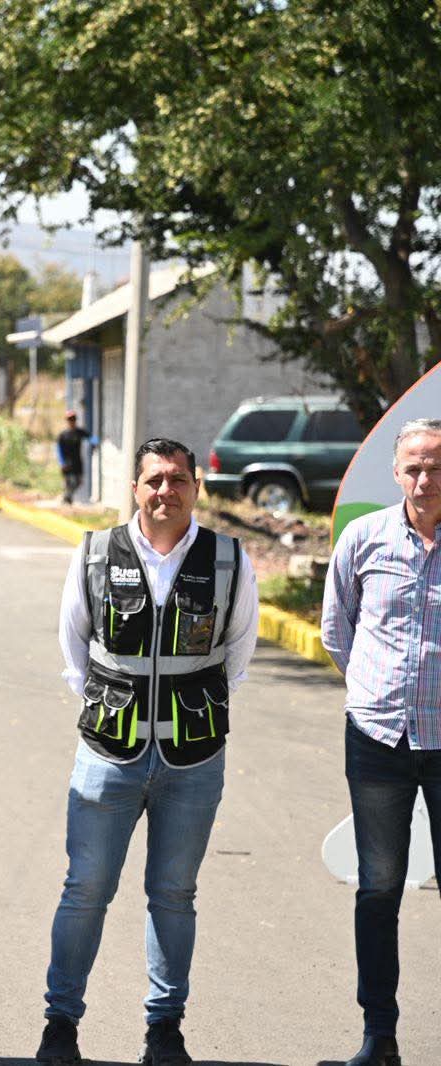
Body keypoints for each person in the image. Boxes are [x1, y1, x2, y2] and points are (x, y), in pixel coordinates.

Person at [37, 438, 258, 1066]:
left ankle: (164, 1029)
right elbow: (75, 647)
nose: (167, 491)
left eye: (179, 479)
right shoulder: (95, 552)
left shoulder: (228, 559)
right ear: (135, 488)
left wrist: (187, 710)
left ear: (196, 488)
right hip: (108, 754)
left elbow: (237, 651)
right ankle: (61, 1025)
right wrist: (117, 708)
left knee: (174, 894)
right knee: (85, 889)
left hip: (194, 759)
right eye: (155, 480)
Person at [320, 417, 441, 1066]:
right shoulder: (364, 538)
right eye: (414, 467)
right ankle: (380, 1036)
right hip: (378, 740)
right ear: (396, 474)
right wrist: (374, 691)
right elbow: (336, 630)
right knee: (379, 888)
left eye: (436, 467)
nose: (424, 479)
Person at [57, 411, 90, 505]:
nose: (71, 421)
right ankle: (67, 500)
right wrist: (62, 462)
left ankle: (67, 497)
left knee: (78, 482)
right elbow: (59, 450)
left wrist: (97, 442)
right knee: (68, 483)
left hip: (77, 462)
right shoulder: (63, 435)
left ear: (75, 420)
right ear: (67, 421)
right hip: (66, 463)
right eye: (69, 419)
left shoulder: (79, 432)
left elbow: (91, 438)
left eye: (73, 419)